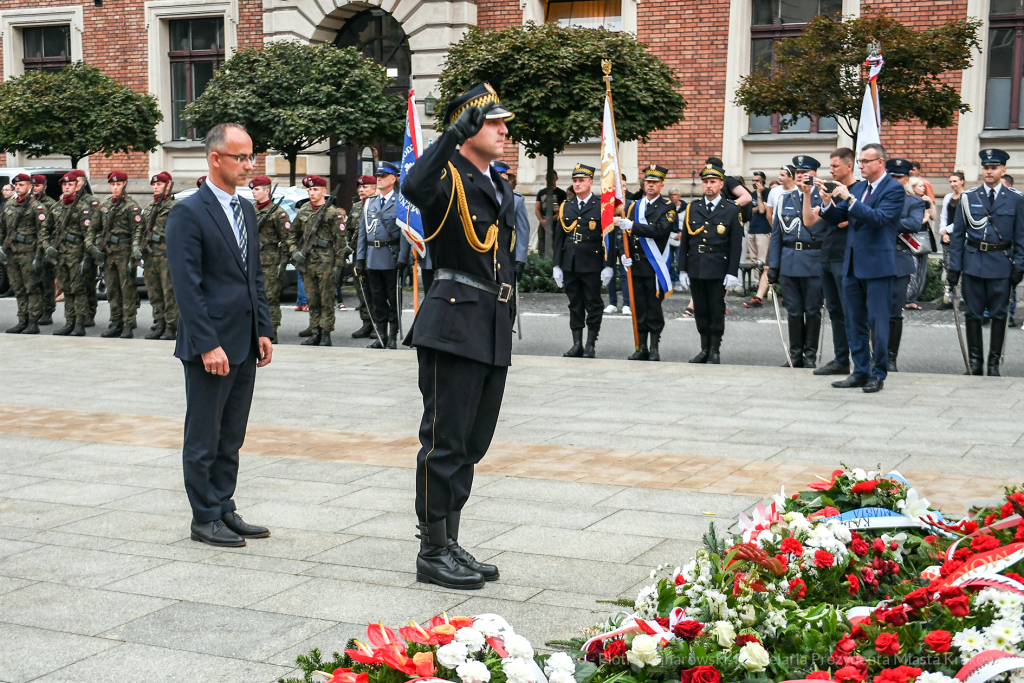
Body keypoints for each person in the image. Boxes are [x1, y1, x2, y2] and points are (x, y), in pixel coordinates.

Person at [402, 83, 515, 590]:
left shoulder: (497, 183)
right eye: (494, 122)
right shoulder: (444, 176)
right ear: (470, 126)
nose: (504, 130)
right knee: (444, 440)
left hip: (489, 323)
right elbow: (412, 187)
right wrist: (450, 135)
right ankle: (431, 550)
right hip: (452, 321)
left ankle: (450, 539)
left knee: (472, 442)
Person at [165, 122, 273, 548]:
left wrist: (263, 329)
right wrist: (208, 343)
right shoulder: (188, 212)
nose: (250, 165)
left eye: (251, 156)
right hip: (210, 345)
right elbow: (187, 288)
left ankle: (224, 505)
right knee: (204, 435)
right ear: (215, 158)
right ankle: (203, 516)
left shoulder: (245, 209)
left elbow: (255, 278)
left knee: (231, 435)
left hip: (244, 341)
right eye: (241, 157)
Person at [816, 142, 903, 393]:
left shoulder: (893, 189)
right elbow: (838, 217)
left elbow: (879, 219)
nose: (861, 166)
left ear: (880, 163)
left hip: (877, 265)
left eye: (866, 161)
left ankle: (878, 373)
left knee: (877, 322)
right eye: (860, 161)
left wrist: (849, 198)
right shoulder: (861, 188)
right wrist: (827, 203)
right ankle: (860, 370)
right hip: (852, 264)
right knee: (853, 320)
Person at [948, 148, 1024, 377]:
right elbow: (958, 236)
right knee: (973, 314)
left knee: (999, 315)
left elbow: (1021, 236)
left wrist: (1019, 265)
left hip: (1001, 263)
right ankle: (975, 363)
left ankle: (993, 365)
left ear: (1003, 170)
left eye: (994, 168)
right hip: (973, 262)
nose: (989, 172)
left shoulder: (1016, 199)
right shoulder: (969, 197)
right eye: (986, 168)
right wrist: (954, 268)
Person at [678, 161, 743, 364]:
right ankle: (704, 349)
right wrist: (682, 269)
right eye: (705, 182)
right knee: (701, 311)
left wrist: (732, 272)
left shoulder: (731, 209)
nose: (708, 186)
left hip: (718, 267)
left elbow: (735, 245)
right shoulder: (693, 208)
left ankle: (715, 349)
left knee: (716, 309)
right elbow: (686, 241)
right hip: (696, 265)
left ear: (721, 184)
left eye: (712, 182)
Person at [552, 164, 615, 358]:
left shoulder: (601, 206)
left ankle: (590, 344)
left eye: (581, 181)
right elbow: (559, 238)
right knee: (575, 304)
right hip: (570, 262)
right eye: (575, 181)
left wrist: (609, 265)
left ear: (591, 182)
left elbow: (608, 238)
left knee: (593, 304)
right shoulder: (566, 205)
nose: (577, 184)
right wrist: (556, 265)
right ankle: (577, 343)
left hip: (592, 262)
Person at [768, 155, 825, 368]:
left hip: (814, 261)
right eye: (798, 173)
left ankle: (810, 356)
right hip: (790, 261)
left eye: (806, 172)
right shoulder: (784, 199)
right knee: (793, 311)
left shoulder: (823, 198)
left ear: (814, 175)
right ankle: (795, 355)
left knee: (812, 310)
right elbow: (777, 235)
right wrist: (773, 265)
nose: (801, 176)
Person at [616, 164, 676, 362]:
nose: (650, 186)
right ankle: (640, 347)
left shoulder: (668, 208)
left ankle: (654, 347)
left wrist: (633, 226)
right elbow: (626, 236)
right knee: (638, 307)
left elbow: (659, 230)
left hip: (654, 266)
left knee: (653, 308)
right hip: (636, 265)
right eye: (648, 182)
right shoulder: (634, 206)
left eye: (654, 183)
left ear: (661, 185)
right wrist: (625, 254)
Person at [808, 148, 854, 376]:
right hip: (827, 253)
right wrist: (816, 196)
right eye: (831, 166)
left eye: (836, 166)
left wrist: (829, 204)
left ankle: (861, 360)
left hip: (845, 256)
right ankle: (841, 359)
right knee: (834, 310)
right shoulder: (832, 190)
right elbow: (811, 220)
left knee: (849, 311)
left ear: (849, 166)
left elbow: (843, 222)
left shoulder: (855, 191)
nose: (832, 170)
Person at [356, 161, 409, 350]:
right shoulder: (370, 202)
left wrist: (403, 258)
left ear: (393, 179)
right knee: (377, 300)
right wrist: (360, 258)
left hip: (391, 256)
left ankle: (393, 336)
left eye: (383, 176)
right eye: (377, 176)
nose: (378, 179)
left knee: (393, 299)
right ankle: (381, 335)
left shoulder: (400, 202)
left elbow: (404, 233)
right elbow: (363, 233)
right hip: (373, 257)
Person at [289, 175, 346, 347]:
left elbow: (340, 242)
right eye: (309, 190)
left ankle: (326, 334)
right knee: (312, 299)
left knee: (326, 299)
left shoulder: (333, 213)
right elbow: (292, 234)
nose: (311, 193)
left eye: (315, 190)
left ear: (323, 191)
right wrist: (294, 251)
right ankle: (315, 332)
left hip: (326, 263)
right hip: (308, 263)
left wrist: (338, 265)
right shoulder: (303, 210)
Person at [884, 159, 927, 372]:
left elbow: (914, 224)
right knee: (871, 311)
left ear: (906, 179)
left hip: (899, 260)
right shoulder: (875, 199)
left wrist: (883, 219)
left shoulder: (914, 202)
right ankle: (874, 354)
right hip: (874, 259)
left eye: (899, 177)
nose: (895, 180)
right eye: (891, 176)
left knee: (894, 313)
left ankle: (890, 358)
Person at [0, 173, 50, 334]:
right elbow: (2, 229)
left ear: (30, 187)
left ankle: (33, 322)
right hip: (12, 255)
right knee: (19, 289)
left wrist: (39, 256)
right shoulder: (8, 206)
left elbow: (43, 233)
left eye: (22, 185)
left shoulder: (36, 207)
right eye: (17, 185)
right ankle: (23, 319)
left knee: (32, 288)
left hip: (30, 254)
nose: (18, 188)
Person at [95, 170, 143, 338]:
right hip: (108, 255)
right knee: (112, 290)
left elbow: (138, 230)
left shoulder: (131, 206)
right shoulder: (104, 206)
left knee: (126, 289)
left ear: (124, 185)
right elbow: (96, 229)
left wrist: (135, 249)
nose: (115, 188)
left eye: (118, 184)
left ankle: (128, 324)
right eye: (113, 185)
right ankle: (116, 322)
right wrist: (95, 245)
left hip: (124, 253)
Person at [135, 172, 178, 340]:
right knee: (154, 292)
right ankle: (159, 323)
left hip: (166, 255)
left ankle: (171, 326)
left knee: (169, 292)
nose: (156, 187)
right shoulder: (151, 207)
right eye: (154, 185)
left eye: (160, 184)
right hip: (151, 255)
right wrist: (137, 245)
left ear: (168, 185)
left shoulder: (175, 207)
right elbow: (141, 228)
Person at [744, 166, 795, 308]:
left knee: (790, 265)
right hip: (777, 233)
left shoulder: (798, 191)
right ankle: (758, 297)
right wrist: (776, 230)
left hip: (793, 234)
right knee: (768, 266)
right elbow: (769, 213)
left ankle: (787, 295)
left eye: (783, 175)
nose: (780, 178)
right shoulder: (775, 192)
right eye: (780, 174)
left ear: (791, 176)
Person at [47, 174, 90, 336]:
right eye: (64, 185)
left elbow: (90, 233)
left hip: (77, 255)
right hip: (61, 256)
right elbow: (46, 230)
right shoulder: (56, 208)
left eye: (70, 185)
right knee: (66, 290)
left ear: (76, 187)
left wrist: (87, 256)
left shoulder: (82, 208)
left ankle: (79, 324)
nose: (66, 187)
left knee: (78, 290)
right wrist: (47, 246)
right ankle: (69, 322)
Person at [250, 176, 290, 343]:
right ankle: (254, 330)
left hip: (271, 261)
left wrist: (283, 261)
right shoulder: (250, 210)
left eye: (257, 189)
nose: (253, 192)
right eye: (252, 189)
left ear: (267, 191)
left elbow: (287, 239)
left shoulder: (278, 213)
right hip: (252, 260)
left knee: (269, 298)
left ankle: (271, 331)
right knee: (252, 297)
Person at [491, 160, 529, 288]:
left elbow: (522, 231)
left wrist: (520, 260)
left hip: (507, 256)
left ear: (505, 176)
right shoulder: (481, 197)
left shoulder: (516, 200)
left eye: (499, 174)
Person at [70, 170, 101, 328]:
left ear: (82, 184)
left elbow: (95, 227)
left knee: (88, 283)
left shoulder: (92, 202)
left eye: (78, 183)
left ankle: (89, 313)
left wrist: (93, 248)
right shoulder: (68, 201)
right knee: (74, 285)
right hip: (71, 250)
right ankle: (76, 314)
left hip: (87, 248)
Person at [349, 175, 378, 339]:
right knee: (362, 291)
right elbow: (349, 230)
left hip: (375, 254)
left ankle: (378, 325)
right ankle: (366, 323)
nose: (361, 190)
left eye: (365, 187)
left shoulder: (379, 205)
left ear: (374, 188)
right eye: (360, 187)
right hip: (358, 255)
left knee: (375, 291)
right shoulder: (356, 208)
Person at [938, 171, 965, 311]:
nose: (952, 184)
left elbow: (962, 220)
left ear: (962, 181)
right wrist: (943, 233)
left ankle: (963, 299)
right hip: (947, 236)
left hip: (961, 236)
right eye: (950, 181)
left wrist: (947, 230)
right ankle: (947, 297)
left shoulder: (967, 197)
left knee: (962, 267)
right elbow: (944, 216)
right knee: (948, 267)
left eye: (955, 181)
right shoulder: (948, 197)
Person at [534, 171, 566, 257]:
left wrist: (550, 220)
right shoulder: (541, 192)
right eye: (548, 178)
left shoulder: (561, 193)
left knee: (555, 242)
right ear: (545, 179)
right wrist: (542, 220)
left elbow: (563, 210)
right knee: (542, 241)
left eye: (553, 178)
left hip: (556, 223)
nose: (550, 180)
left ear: (556, 179)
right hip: (543, 221)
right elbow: (537, 208)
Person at [747, 171, 771, 287]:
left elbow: (762, 210)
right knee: (753, 259)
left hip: (763, 230)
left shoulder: (768, 193)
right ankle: (757, 284)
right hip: (752, 229)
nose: (754, 183)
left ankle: (764, 285)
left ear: (763, 181)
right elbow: (749, 210)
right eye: (753, 180)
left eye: (757, 180)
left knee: (762, 260)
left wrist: (759, 194)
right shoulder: (751, 194)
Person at [668, 188, 684, 291]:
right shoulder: (667, 208)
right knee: (669, 259)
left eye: (675, 195)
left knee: (679, 260)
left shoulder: (686, 207)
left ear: (679, 196)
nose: (673, 197)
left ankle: (678, 280)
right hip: (669, 237)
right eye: (671, 195)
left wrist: (682, 233)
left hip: (682, 237)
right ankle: (672, 279)